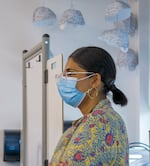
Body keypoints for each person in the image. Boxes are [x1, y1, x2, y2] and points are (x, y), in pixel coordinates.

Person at [50, 46, 129, 166]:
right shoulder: (104, 119)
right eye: (64, 74)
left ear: (95, 80)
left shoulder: (100, 122)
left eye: (70, 73)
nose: (63, 80)